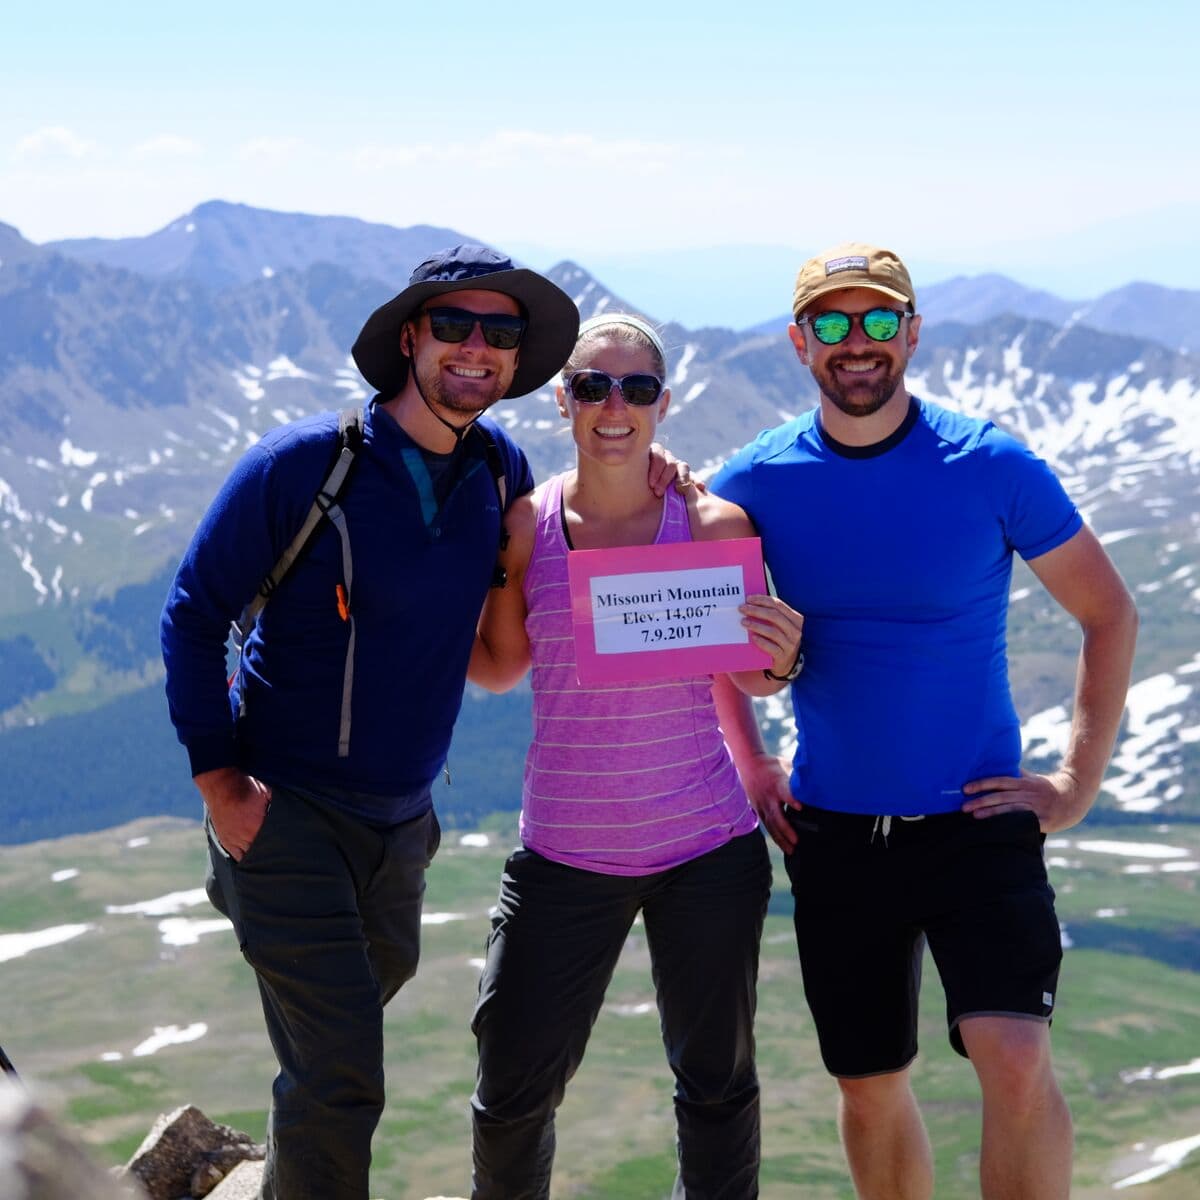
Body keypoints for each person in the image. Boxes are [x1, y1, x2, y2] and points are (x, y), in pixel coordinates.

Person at [159, 247, 682, 1200]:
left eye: (502, 333)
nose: (477, 349)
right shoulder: (305, 466)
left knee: (351, 1021)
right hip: (285, 809)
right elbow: (194, 613)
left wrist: (648, 469)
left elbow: (498, 661)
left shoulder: (499, 469)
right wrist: (219, 782)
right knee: (341, 1069)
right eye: (453, 326)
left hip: (402, 823)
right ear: (409, 337)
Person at [711, 243, 1138, 1199]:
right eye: (831, 324)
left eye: (875, 321)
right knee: (868, 1085)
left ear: (910, 333)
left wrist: (1075, 783)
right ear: (798, 343)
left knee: (1016, 1057)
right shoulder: (752, 482)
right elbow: (717, 642)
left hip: (979, 824)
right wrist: (749, 762)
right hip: (835, 835)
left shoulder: (991, 463)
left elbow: (1109, 613)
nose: (855, 343)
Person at [467, 314, 802, 1199]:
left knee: (718, 1088)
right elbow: (498, 669)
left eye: (637, 388)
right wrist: (453, 576)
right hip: (564, 855)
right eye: (592, 386)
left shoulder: (712, 522)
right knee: (509, 1091)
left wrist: (784, 650)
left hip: (706, 847)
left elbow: (756, 676)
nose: (614, 406)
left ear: (662, 404)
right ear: (563, 402)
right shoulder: (522, 527)